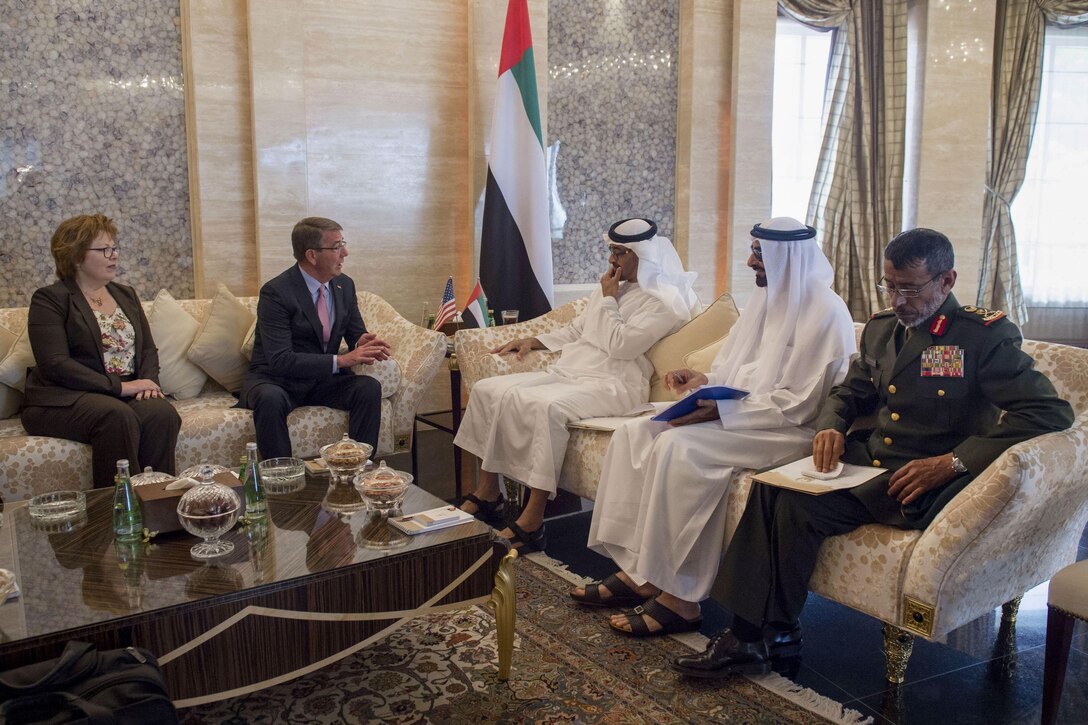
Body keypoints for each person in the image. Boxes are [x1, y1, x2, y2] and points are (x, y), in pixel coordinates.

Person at [671, 227, 1076, 678]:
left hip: (923, 479)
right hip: (873, 459)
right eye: (890, 285)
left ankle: (751, 638)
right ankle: (771, 633)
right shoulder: (884, 329)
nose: (899, 300)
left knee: (798, 505)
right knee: (772, 486)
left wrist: (954, 462)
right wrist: (832, 426)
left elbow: (1049, 412)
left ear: (946, 281)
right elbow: (851, 392)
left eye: (910, 288)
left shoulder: (981, 337)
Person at [572, 216, 857, 637]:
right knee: (637, 432)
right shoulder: (767, 301)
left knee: (679, 448)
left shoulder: (826, 313)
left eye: (759, 255)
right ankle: (640, 572)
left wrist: (720, 412)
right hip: (745, 416)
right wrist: (704, 384)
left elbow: (800, 403)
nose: (749, 261)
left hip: (788, 430)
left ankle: (681, 599)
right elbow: (738, 372)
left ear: (787, 256)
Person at [454, 218, 700, 551]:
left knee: (548, 408)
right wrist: (533, 340)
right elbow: (577, 329)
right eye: (611, 251)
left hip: (616, 385)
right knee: (488, 389)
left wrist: (610, 299)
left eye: (620, 253)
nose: (612, 260)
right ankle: (488, 494)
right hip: (575, 371)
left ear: (644, 255)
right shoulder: (612, 286)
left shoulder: (664, 300)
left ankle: (533, 519)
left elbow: (622, 346)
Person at [22, 214, 181, 488]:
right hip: (64, 398)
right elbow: (55, 364)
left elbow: (147, 349)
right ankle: (116, 513)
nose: (114, 255)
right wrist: (122, 387)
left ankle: (159, 509)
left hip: (121, 394)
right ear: (75, 256)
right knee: (115, 416)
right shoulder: (50, 298)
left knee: (161, 414)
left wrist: (148, 383)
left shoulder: (125, 294)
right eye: (104, 249)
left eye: (115, 248)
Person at [239, 217, 390, 458]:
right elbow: (280, 359)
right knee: (269, 399)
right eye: (337, 247)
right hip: (279, 380)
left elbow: (354, 330)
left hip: (321, 380)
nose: (345, 253)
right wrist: (341, 361)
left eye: (344, 244)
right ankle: (281, 477)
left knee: (368, 387)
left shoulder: (344, 285)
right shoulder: (276, 292)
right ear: (312, 255)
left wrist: (363, 341)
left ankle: (360, 468)